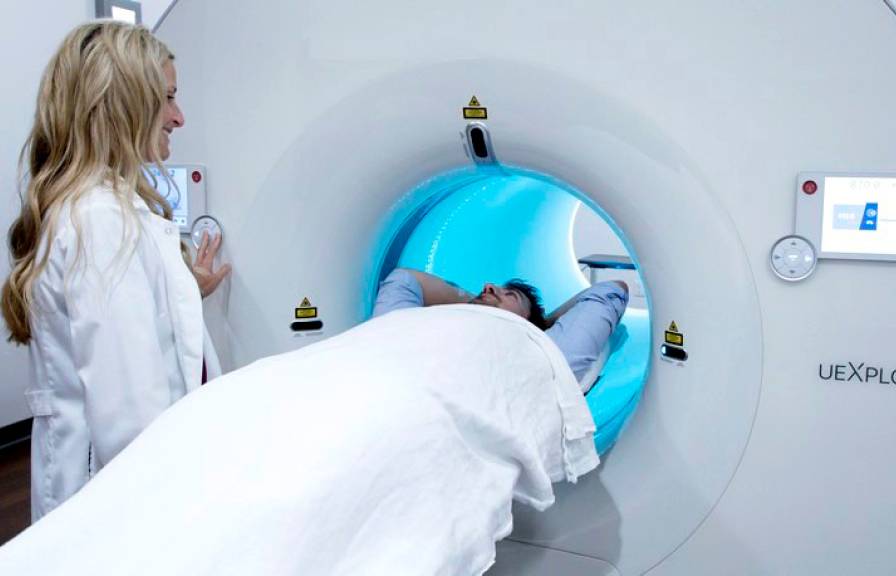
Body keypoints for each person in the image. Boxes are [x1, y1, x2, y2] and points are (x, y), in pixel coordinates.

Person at [0, 21, 229, 521]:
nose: (179, 116)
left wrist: (185, 293)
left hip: (106, 488)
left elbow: (121, 345)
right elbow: (132, 423)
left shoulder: (99, 211)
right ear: (123, 102)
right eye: (167, 98)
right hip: (125, 504)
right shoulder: (101, 220)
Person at [373, 268, 628, 383]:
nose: (488, 285)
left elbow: (613, 288)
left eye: (511, 295)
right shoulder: (402, 330)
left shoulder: (545, 359)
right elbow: (404, 279)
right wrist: (476, 302)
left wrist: (547, 321)